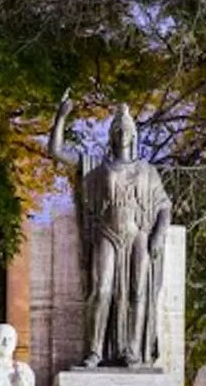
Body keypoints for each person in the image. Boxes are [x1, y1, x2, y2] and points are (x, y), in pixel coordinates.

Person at [49, 95, 172, 368]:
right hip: (107, 233)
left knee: (138, 291)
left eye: (127, 130)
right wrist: (61, 116)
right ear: (112, 135)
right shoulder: (96, 166)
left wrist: (159, 234)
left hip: (139, 234)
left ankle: (132, 352)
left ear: (134, 134)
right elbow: (56, 151)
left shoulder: (147, 170)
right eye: (118, 130)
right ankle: (94, 351)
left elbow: (164, 205)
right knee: (102, 290)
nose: (123, 134)